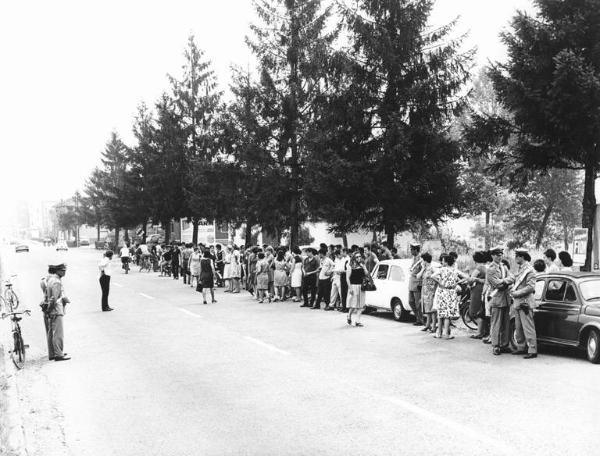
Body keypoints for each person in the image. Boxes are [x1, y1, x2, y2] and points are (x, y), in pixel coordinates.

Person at [431, 254, 469, 339]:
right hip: (451, 292)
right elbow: (466, 277)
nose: (442, 262)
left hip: (442, 291)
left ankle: (439, 334)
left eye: (443, 260)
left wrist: (439, 282)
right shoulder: (455, 270)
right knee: (448, 314)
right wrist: (457, 283)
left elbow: (432, 276)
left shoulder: (442, 270)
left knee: (440, 313)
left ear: (446, 262)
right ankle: (446, 334)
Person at [486, 246, 514, 355]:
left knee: (505, 324)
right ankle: (496, 345)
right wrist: (506, 281)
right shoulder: (491, 269)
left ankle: (504, 344)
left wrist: (504, 281)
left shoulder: (503, 267)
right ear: (492, 255)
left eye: (501, 254)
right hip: (497, 299)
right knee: (496, 324)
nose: (500, 256)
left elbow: (512, 278)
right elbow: (497, 284)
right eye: (498, 254)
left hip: (506, 298)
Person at [510, 249, 538, 359]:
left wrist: (516, 293)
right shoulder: (520, 269)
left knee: (528, 327)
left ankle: (532, 349)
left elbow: (530, 287)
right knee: (519, 327)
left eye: (517, 256)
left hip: (525, 302)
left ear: (523, 257)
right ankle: (521, 347)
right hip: (518, 302)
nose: (516, 258)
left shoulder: (529, 270)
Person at [43, 263, 71, 361]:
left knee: (51, 332)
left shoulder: (51, 279)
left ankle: (53, 353)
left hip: (52, 310)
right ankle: (59, 354)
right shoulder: (56, 282)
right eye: (63, 270)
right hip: (56, 310)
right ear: (58, 271)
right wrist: (49, 309)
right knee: (58, 333)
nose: (64, 272)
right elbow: (54, 298)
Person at [469, 251, 491, 339]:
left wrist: (472, 281)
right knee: (482, 311)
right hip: (485, 290)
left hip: (477, 290)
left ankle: (479, 332)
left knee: (474, 312)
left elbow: (471, 280)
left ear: (475, 260)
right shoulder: (486, 267)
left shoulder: (478, 268)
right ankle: (484, 331)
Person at [346, 252, 369, 327]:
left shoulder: (362, 265)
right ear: (353, 258)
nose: (359, 258)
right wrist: (350, 288)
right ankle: (349, 315)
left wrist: (364, 267)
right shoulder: (350, 266)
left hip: (361, 287)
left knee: (361, 305)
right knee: (353, 305)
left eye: (360, 256)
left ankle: (357, 321)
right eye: (357, 257)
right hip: (353, 286)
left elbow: (367, 274)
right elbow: (347, 278)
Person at [417, 252, 437, 332]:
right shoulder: (425, 269)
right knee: (427, 309)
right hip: (425, 291)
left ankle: (434, 326)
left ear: (425, 260)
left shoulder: (432, 268)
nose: (421, 262)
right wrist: (422, 268)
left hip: (431, 290)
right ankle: (428, 325)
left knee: (432, 309)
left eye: (422, 260)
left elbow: (437, 277)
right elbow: (418, 276)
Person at [408, 242, 424, 326]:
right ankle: (417, 317)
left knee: (418, 304)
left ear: (415, 250)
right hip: (411, 283)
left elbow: (422, 271)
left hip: (417, 284)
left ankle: (420, 319)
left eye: (411, 249)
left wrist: (420, 284)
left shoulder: (420, 259)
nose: (410, 251)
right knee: (410, 301)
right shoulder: (413, 258)